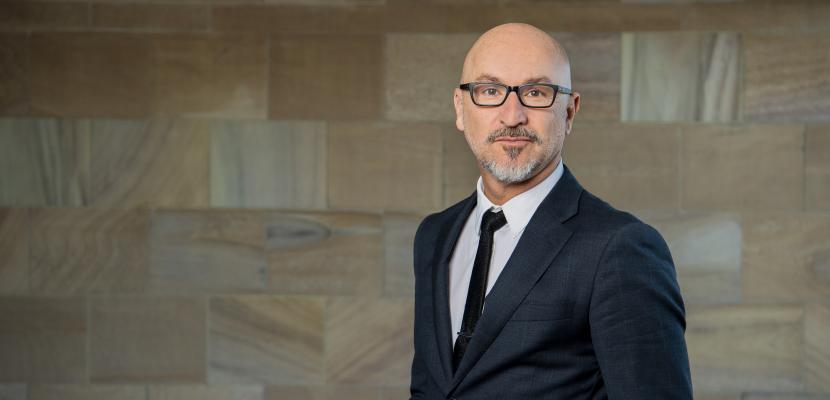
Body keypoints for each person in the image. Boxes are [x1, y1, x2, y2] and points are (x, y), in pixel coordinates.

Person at [409, 23, 692, 399]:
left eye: (536, 92)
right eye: (490, 91)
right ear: (461, 109)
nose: (512, 116)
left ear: (570, 112)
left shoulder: (620, 248)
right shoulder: (435, 236)